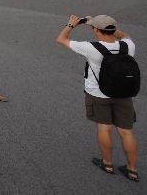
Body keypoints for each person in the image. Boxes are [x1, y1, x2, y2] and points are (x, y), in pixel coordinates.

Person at [56, 15, 139, 181]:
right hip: (123, 94)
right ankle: (132, 170)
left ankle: (107, 164)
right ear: (113, 29)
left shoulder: (91, 48)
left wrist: (71, 25)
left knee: (104, 127)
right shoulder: (128, 46)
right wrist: (105, 26)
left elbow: (61, 39)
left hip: (98, 93)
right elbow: (123, 35)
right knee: (126, 132)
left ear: (95, 30)